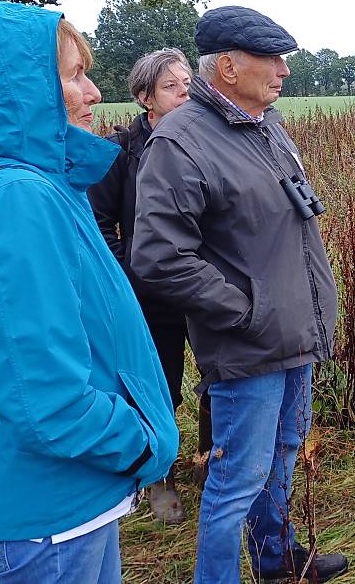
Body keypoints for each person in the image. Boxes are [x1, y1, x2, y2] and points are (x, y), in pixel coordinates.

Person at [0, 0, 179, 583]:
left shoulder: (42, 184)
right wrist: (140, 443)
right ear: (21, 88)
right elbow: (45, 398)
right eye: (73, 75)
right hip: (46, 512)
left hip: (67, 496)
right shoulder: (18, 200)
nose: (93, 92)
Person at [131, 6, 347, 584]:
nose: (283, 71)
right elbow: (159, 256)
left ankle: (277, 563)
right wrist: (246, 310)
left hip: (294, 332)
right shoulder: (179, 142)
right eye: (271, 59)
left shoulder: (266, 124)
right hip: (249, 344)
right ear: (227, 66)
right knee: (235, 480)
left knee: (280, 457)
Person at [89, 47, 207, 523]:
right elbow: (101, 225)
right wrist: (131, 280)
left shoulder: (208, 140)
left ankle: (209, 461)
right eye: (172, 86)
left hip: (207, 288)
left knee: (220, 380)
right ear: (145, 98)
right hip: (150, 295)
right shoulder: (120, 153)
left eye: (188, 83)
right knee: (161, 386)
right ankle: (161, 475)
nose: (186, 92)